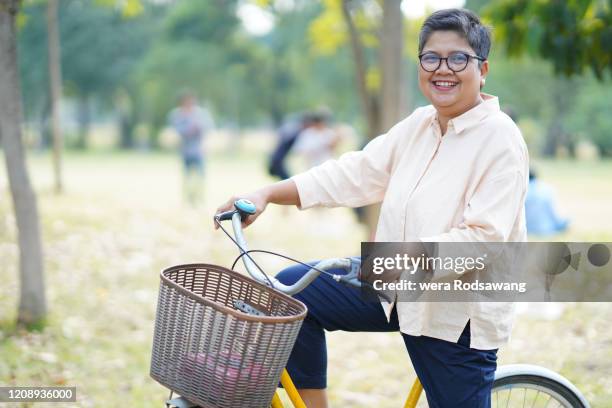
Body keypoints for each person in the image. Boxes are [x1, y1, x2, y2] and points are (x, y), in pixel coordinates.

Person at [216, 9, 528, 408]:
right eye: (431, 58)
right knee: (290, 295)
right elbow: (356, 173)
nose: (442, 69)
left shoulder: (500, 139)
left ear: (482, 70)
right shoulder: (420, 124)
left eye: (458, 59)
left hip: (454, 313)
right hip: (392, 283)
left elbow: (483, 240)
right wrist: (268, 194)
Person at [168, 92, 214, 205]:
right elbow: (178, 130)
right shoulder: (177, 115)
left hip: (199, 151)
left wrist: (198, 127)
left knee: (200, 177)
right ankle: (188, 199)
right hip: (185, 151)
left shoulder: (201, 114)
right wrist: (188, 129)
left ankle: (199, 198)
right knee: (187, 177)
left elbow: (208, 127)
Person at [267, 112, 329, 180]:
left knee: (286, 181)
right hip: (277, 160)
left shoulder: (293, 129)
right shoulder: (298, 132)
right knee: (287, 181)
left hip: (276, 159)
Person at [525, 169, 569, 235]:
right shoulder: (546, 190)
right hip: (546, 230)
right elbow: (555, 215)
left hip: (527, 229)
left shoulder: (520, 192)